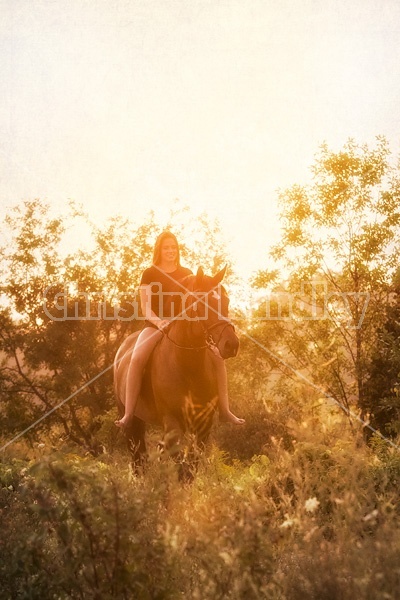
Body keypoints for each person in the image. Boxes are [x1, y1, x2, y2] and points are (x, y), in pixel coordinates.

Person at [115, 230, 245, 429]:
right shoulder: (149, 273)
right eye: (166, 247)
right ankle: (129, 413)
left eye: (173, 247)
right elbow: (146, 308)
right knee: (137, 358)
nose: (170, 251)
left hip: (184, 327)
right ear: (159, 250)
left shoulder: (187, 274)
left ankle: (225, 411)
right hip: (155, 325)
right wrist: (159, 323)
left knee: (218, 358)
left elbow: (197, 303)